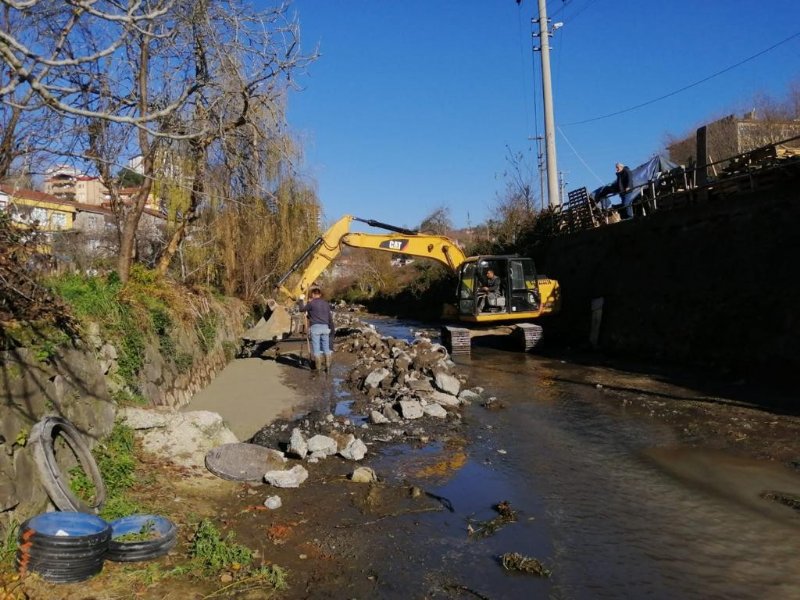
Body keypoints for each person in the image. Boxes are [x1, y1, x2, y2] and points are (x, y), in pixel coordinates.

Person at [297, 287, 335, 372]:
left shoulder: (311, 303)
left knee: (317, 349)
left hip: (315, 328)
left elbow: (301, 309)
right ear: (320, 295)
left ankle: (318, 369)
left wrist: (300, 300)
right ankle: (328, 368)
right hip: (325, 328)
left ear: (313, 295)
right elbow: (329, 317)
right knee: (326, 348)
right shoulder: (326, 303)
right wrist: (331, 329)